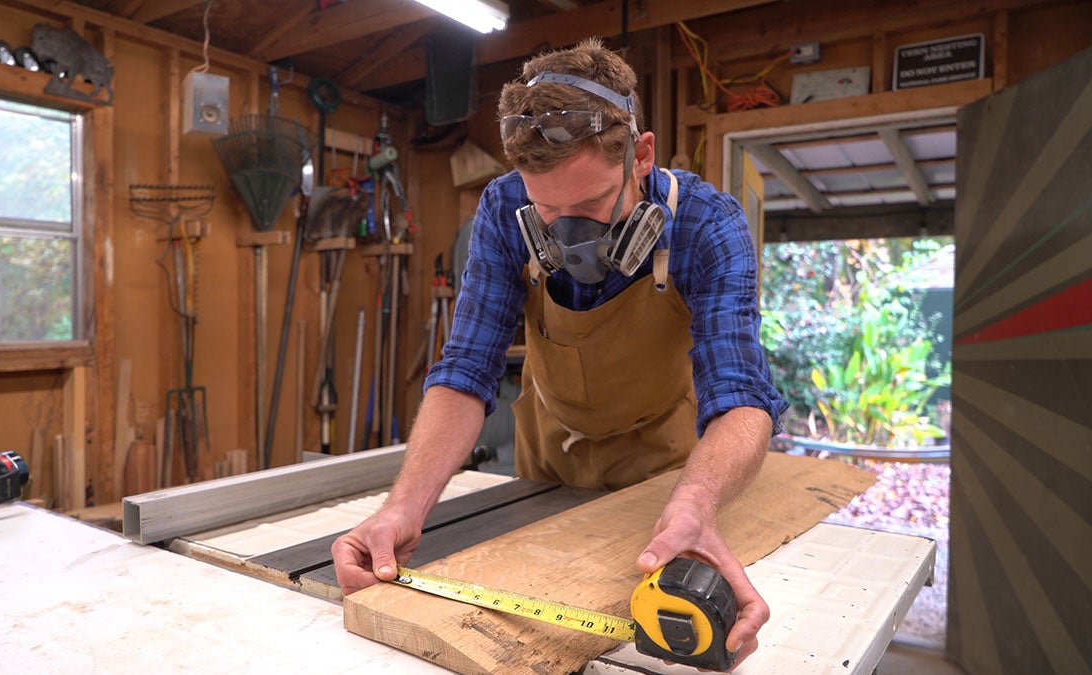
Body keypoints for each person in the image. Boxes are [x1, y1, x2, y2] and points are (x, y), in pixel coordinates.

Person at [332, 38, 787, 668]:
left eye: (592, 205)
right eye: (549, 212)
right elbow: (466, 371)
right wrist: (401, 510)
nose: (569, 232)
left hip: (666, 467)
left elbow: (740, 396)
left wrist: (698, 504)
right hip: (551, 452)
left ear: (640, 155)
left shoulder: (709, 225)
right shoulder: (503, 209)